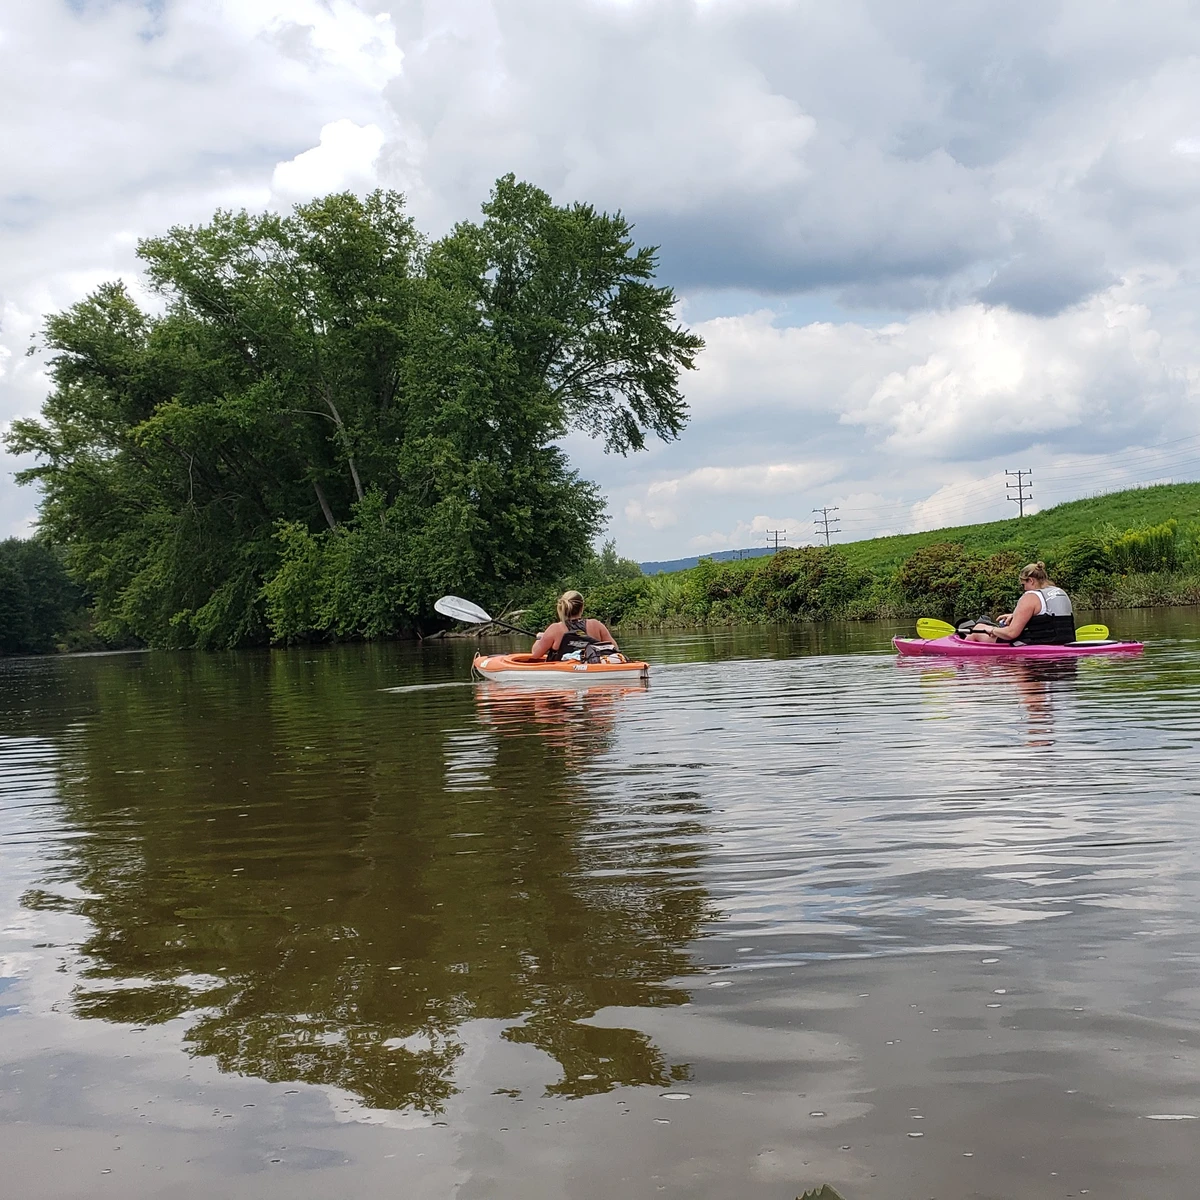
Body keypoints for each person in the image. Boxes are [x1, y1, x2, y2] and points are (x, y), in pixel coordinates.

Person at [964, 562, 1076, 645]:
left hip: (1037, 643)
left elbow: (1011, 633)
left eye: (1023, 584)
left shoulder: (1030, 596)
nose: (1024, 589)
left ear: (1031, 580)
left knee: (978, 628)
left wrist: (992, 630)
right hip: (1065, 641)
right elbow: (1048, 618)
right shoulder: (1060, 592)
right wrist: (1015, 615)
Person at [529, 591, 620, 662]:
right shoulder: (595, 625)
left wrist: (540, 638)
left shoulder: (555, 629)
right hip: (591, 669)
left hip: (564, 677)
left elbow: (535, 654)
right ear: (582, 606)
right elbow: (614, 648)